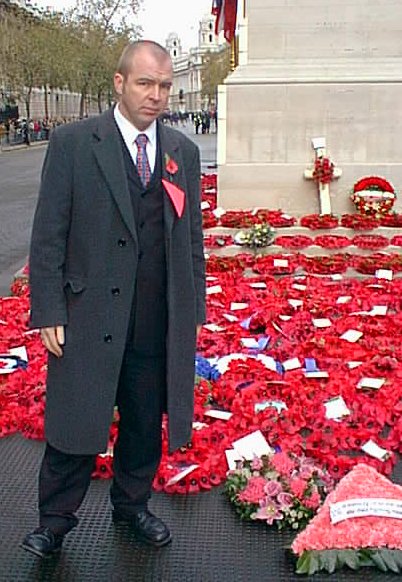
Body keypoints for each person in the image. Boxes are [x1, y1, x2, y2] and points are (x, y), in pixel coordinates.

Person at [22, 40, 206, 558]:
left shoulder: (181, 153)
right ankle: (54, 522)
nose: (157, 96)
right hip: (86, 316)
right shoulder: (74, 143)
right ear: (119, 83)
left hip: (154, 318)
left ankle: (132, 506)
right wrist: (49, 310)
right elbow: (48, 234)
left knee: (146, 422)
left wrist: (193, 310)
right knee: (75, 422)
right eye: (146, 83)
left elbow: (191, 238)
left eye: (165, 86)